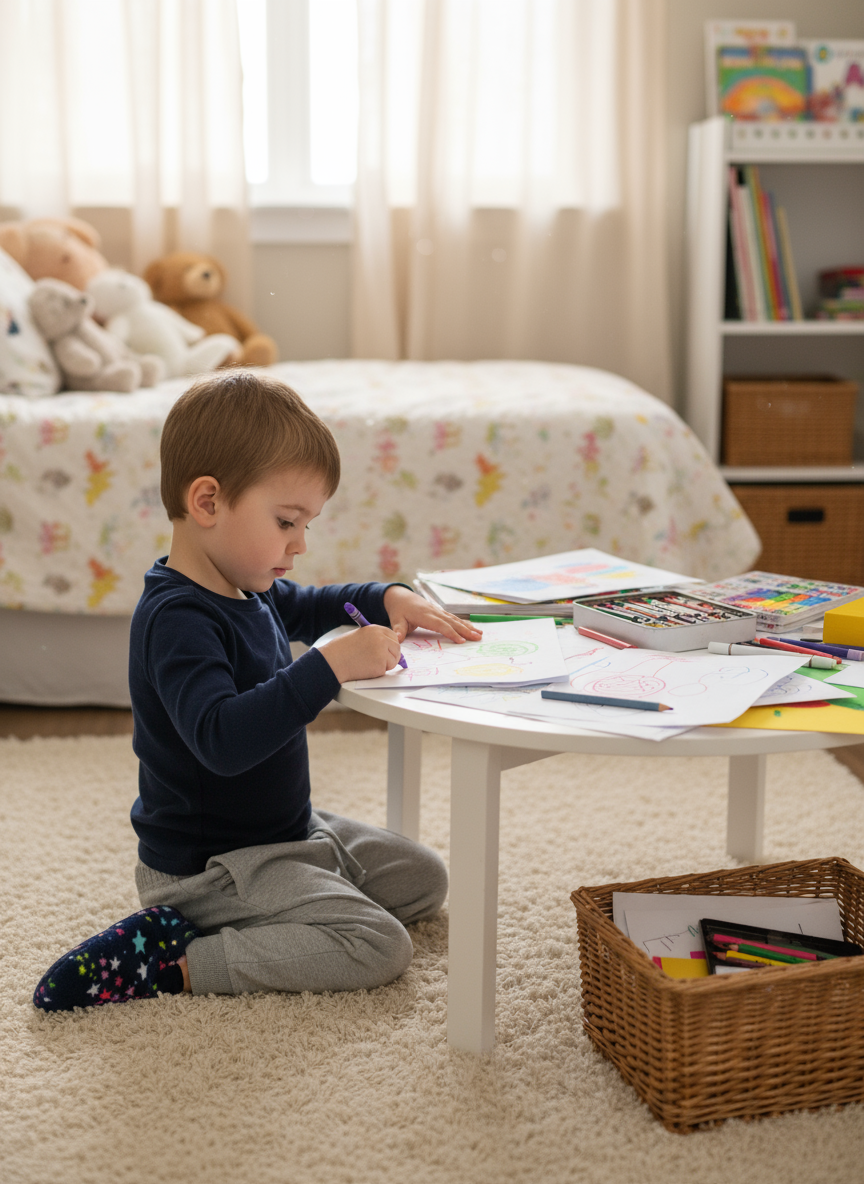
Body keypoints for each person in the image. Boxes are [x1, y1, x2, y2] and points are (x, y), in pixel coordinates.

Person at [33, 371, 481, 1012]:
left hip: (287, 830)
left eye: (307, 524)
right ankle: (178, 959)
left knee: (424, 878)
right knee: (378, 944)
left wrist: (388, 595)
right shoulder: (175, 619)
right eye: (286, 521)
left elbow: (316, 603)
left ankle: (283, 906)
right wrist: (329, 667)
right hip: (208, 867)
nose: (300, 545)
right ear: (208, 502)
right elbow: (222, 740)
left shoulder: (248, 585)